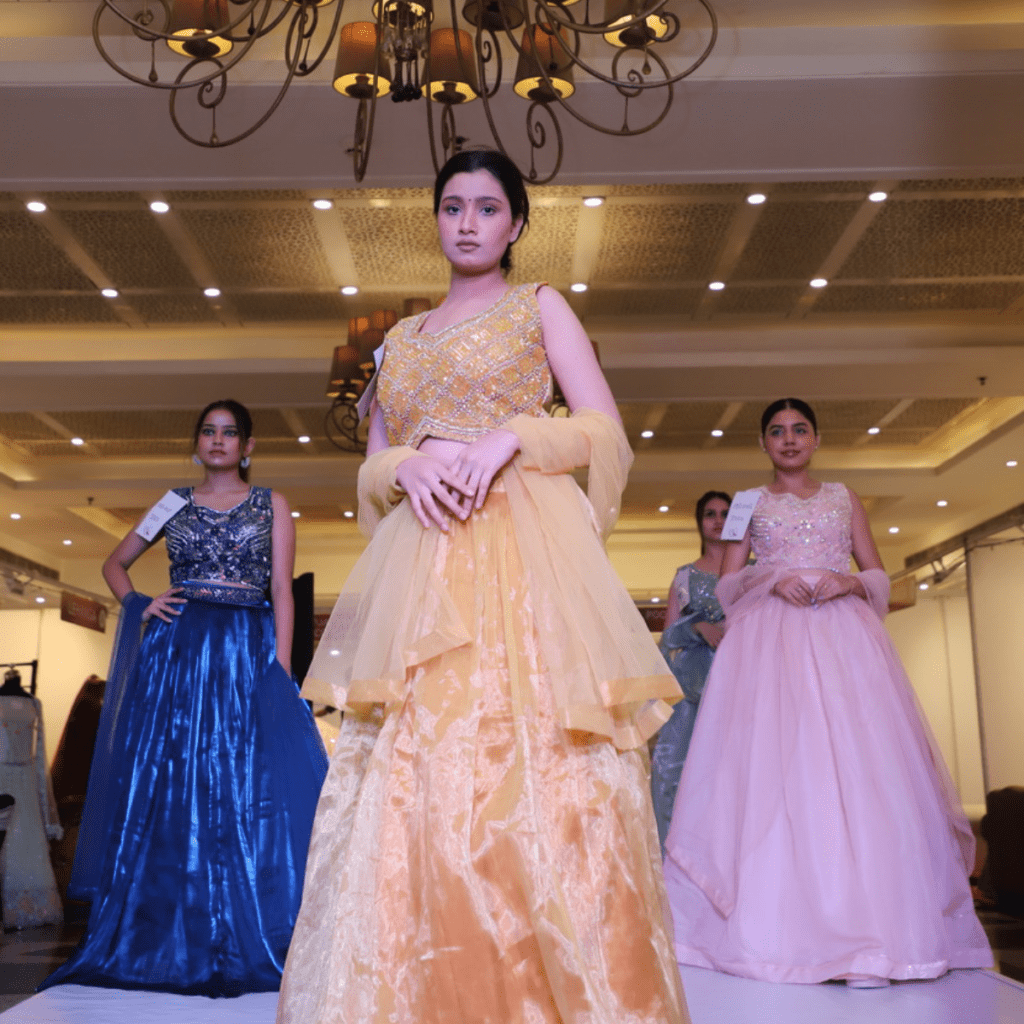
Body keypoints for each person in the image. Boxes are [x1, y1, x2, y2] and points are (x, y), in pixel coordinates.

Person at [276, 150, 689, 1024]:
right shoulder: (396, 341)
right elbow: (374, 464)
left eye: (488, 207)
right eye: (453, 206)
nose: (468, 221)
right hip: (423, 565)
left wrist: (513, 439)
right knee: (410, 779)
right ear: (436, 219)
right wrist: (404, 461)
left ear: (516, 225)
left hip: (523, 555)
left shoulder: (538, 307)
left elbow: (603, 432)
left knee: (539, 771)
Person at [663, 398, 992, 987]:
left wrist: (849, 581)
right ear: (763, 444)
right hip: (773, 644)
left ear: (816, 439)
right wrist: (775, 576)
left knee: (862, 770)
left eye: (800, 430)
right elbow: (731, 582)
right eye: (776, 432)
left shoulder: (844, 498)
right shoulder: (746, 504)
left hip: (844, 638)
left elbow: (878, 575)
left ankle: (874, 932)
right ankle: (782, 926)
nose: (789, 440)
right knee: (779, 769)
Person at [42, 399, 327, 996]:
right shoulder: (173, 501)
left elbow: (281, 590)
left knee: (247, 781)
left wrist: (280, 668)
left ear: (247, 447)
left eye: (230, 434)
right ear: (197, 442)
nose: (218, 441)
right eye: (208, 431)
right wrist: (140, 604)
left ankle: (251, 924)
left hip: (245, 647)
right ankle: (168, 930)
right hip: (178, 651)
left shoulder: (271, 503)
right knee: (170, 781)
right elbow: (115, 563)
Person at [650, 491, 730, 849]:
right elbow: (668, 637)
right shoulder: (684, 577)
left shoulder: (754, 573)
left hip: (739, 681)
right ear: (699, 522)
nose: (717, 520)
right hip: (692, 685)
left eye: (725, 514)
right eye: (710, 514)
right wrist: (697, 626)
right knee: (674, 772)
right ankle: (676, 865)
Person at [0, 666, 63, 929]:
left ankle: (31, 906)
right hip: (2, 775)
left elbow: (39, 748)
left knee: (26, 840)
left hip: (25, 777)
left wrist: (40, 784)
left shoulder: (34, 704)